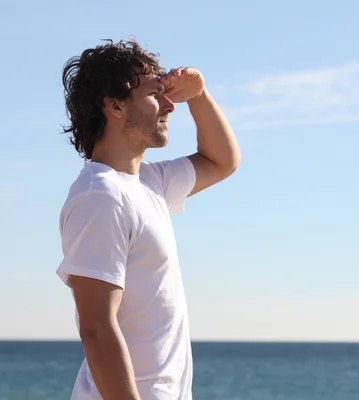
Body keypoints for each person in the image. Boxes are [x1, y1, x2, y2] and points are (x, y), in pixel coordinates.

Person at [56, 39, 241, 400]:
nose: (171, 106)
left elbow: (223, 161)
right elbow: (97, 328)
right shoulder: (101, 195)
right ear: (115, 105)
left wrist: (199, 97)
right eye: (157, 94)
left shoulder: (148, 183)